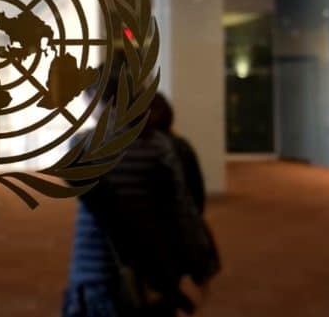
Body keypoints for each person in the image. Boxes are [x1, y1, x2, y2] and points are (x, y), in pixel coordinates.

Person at [63, 70, 217, 316]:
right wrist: (199, 263)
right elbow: (180, 210)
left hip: (94, 267)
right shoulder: (158, 145)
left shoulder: (82, 145)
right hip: (151, 267)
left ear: (96, 97)